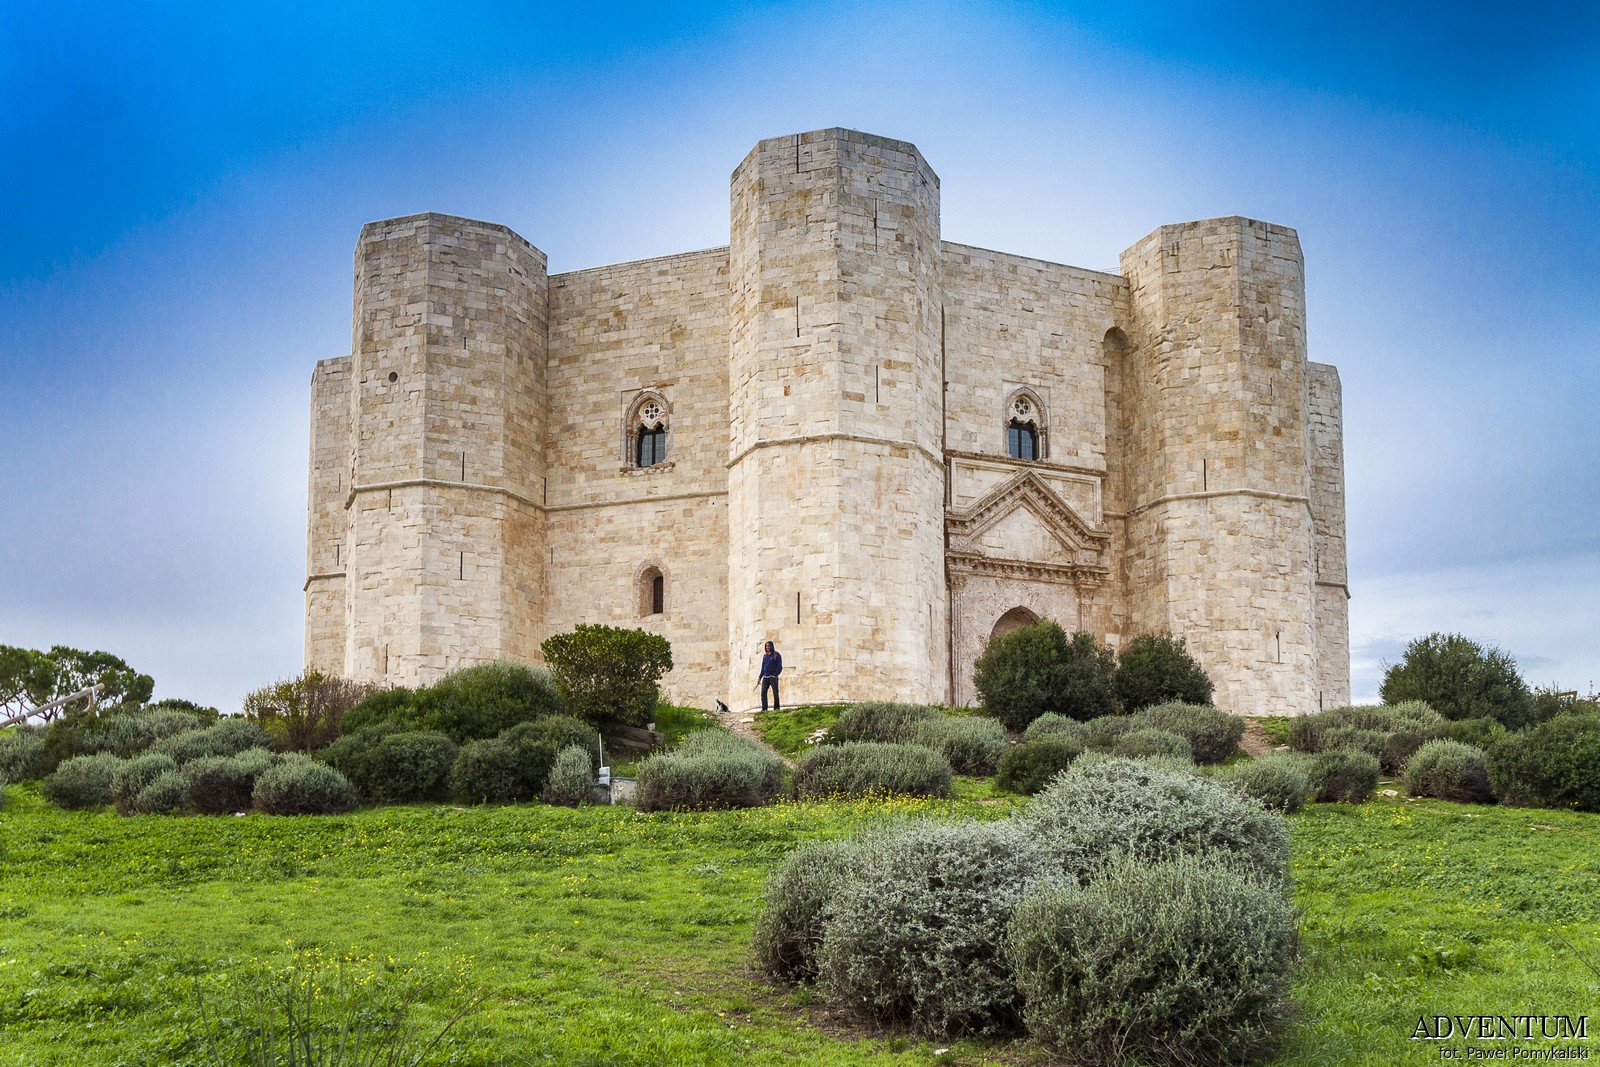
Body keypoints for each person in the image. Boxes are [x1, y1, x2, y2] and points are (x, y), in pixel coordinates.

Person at [758, 640, 783, 712]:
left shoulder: (776, 655)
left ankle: (776, 709)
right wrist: (760, 677)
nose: (767, 647)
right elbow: (763, 667)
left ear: (771, 646)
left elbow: (779, 667)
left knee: (775, 693)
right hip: (765, 677)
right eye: (766, 646)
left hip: (773, 677)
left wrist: (775, 675)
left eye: (769, 646)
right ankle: (764, 709)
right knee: (763, 693)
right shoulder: (765, 656)